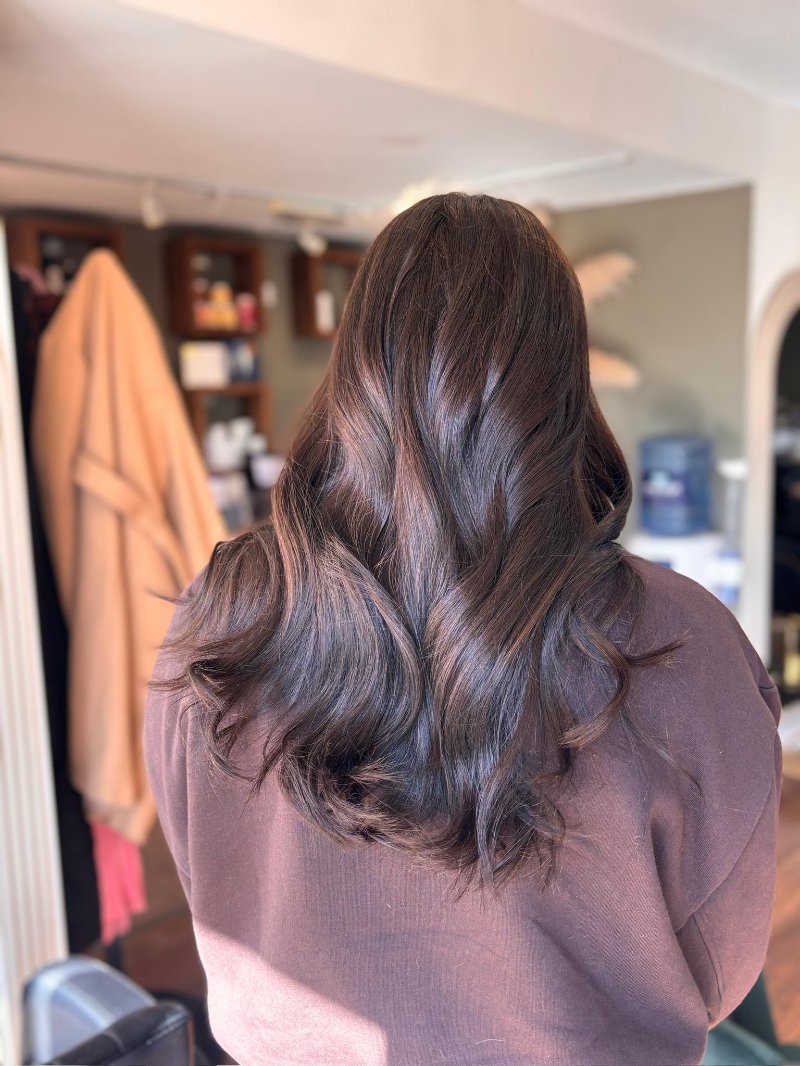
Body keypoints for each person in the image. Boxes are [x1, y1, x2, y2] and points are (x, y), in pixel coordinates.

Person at [145, 193, 781, 1066]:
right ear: (564, 379)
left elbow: (203, 864)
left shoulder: (221, 611)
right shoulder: (685, 642)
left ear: (356, 360)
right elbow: (722, 972)